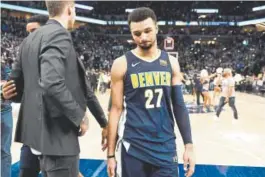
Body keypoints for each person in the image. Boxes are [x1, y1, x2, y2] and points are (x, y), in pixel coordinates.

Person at [4, 1, 107, 176]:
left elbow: (15, 88)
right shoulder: (59, 35)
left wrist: (8, 94)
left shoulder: (28, 41)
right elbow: (52, 83)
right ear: (70, 9)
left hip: (34, 136)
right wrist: (79, 115)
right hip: (57, 136)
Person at [107, 7, 195, 177]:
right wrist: (110, 154)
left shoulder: (171, 62)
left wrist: (189, 146)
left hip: (165, 146)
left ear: (156, 28)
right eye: (137, 33)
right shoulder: (121, 64)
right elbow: (116, 109)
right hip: (133, 147)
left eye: (147, 31)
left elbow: (178, 105)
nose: (143, 37)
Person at [1, 60, 13, 177]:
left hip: (5, 113)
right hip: (5, 112)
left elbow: (12, 88)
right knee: (4, 152)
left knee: (5, 151)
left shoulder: (5, 69)